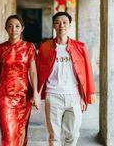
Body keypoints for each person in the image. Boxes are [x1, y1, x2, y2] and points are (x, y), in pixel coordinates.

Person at [37, 11, 96, 146]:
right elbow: (39, 71)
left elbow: (87, 71)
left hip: (74, 96)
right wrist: (37, 93)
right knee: (54, 137)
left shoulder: (80, 47)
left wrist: (85, 96)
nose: (61, 25)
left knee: (73, 135)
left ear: (69, 25)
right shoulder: (45, 47)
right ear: (53, 25)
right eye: (57, 22)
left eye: (64, 22)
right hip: (53, 95)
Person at [0, 15, 41, 146]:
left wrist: (36, 93)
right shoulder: (0, 48)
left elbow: (33, 72)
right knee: (8, 135)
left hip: (24, 96)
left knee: (21, 132)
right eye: (10, 26)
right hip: (4, 96)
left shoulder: (29, 47)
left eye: (17, 26)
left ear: (22, 28)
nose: (14, 29)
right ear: (6, 29)